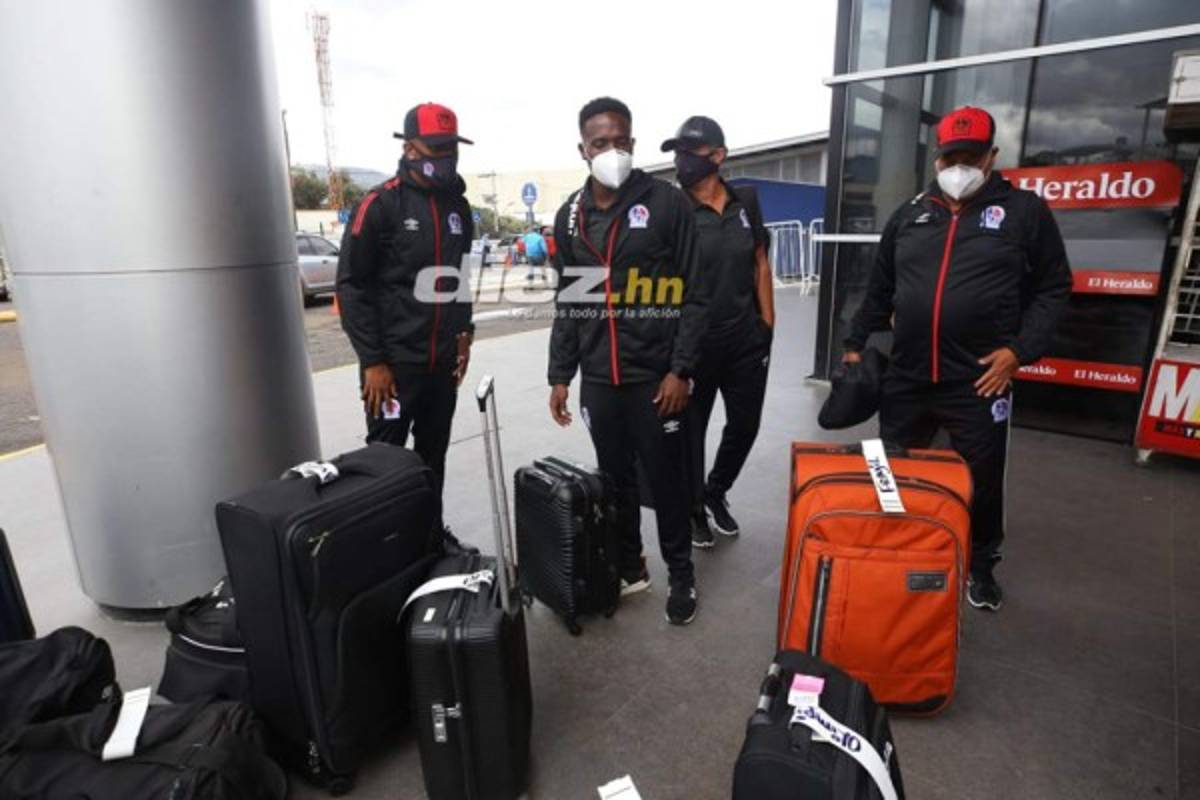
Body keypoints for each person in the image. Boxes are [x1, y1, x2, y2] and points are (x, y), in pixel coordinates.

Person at [843, 106, 1072, 612]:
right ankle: (899, 549)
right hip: (907, 375)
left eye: (971, 156)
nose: (960, 166)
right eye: (951, 156)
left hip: (978, 381)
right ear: (937, 158)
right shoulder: (909, 214)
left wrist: (1018, 352)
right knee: (894, 468)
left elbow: (1054, 289)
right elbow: (880, 290)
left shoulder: (1023, 213)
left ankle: (982, 564)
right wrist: (854, 342)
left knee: (982, 479)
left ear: (992, 156)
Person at [547, 96, 708, 625]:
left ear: (633, 144)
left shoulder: (665, 203)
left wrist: (680, 369)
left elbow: (696, 293)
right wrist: (560, 375)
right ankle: (630, 565)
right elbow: (572, 301)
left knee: (666, 480)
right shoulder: (571, 217)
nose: (611, 150)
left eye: (620, 141)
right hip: (599, 378)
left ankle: (680, 573)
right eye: (600, 143)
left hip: (654, 377)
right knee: (614, 482)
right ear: (582, 149)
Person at [337, 101, 477, 551]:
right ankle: (386, 549)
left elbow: (461, 277)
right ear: (410, 148)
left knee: (432, 457)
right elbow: (352, 286)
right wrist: (373, 361)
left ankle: (429, 537)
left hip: (440, 365)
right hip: (393, 369)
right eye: (436, 148)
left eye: (451, 148)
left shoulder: (459, 207)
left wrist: (464, 333)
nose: (445, 157)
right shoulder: (380, 205)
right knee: (386, 461)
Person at [661, 116, 774, 549]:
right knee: (691, 435)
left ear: (718, 156)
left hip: (746, 340)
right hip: (695, 346)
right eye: (677, 153)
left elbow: (760, 260)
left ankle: (716, 491)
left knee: (745, 425)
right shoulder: (673, 210)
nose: (682, 161)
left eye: (691, 152)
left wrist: (767, 324)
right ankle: (693, 508)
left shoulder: (745, 201)